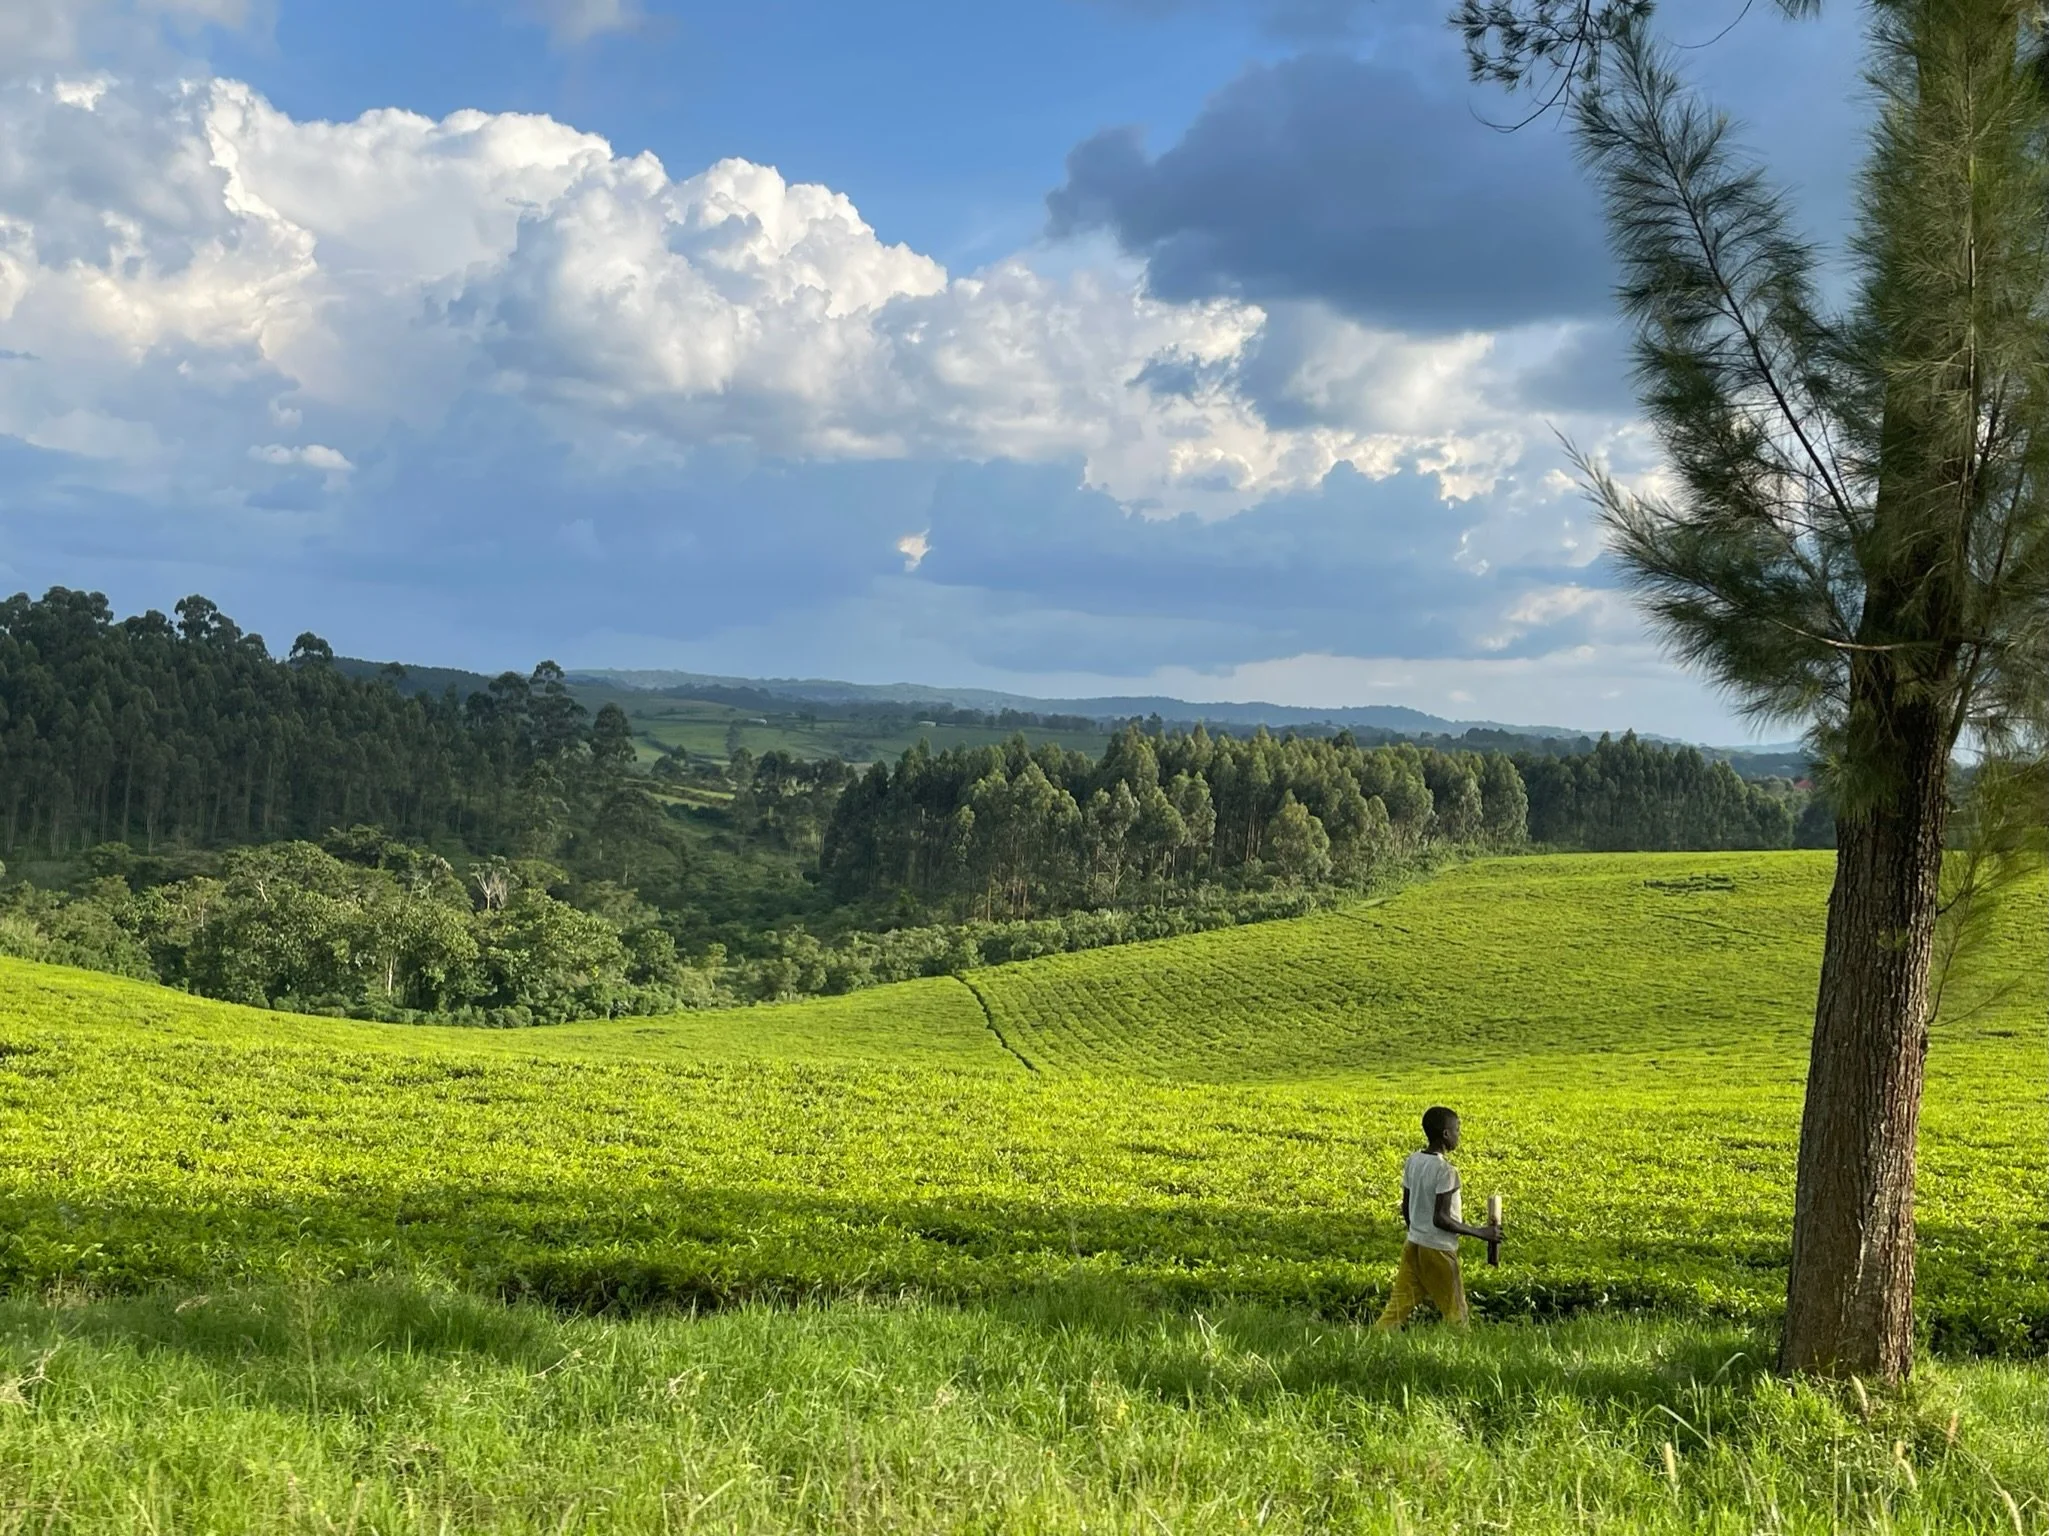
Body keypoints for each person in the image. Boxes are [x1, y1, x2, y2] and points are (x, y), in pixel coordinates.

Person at [1373, 1104, 1501, 1330]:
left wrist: (1416, 1232)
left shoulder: (1413, 1160)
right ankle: (1462, 1348)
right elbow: (1440, 1218)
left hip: (1413, 1245)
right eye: (1457, 1130)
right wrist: (1481, 1232)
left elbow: (1406, 1206)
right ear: (1445, 1134)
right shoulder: (1447, 1171)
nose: (1459, 1135)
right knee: (1456, 1311)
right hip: (1439, 1250)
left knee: (1396, 1309)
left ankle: (1374, 1339)